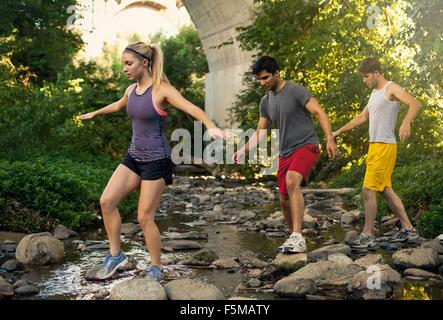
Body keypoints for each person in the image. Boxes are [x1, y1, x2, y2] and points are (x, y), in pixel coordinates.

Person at [80, 42, 226, 281]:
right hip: (134, 156)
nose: (125, 68)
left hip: (157, 160)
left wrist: (211, 127)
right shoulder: (130, 91)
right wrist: (96, 113)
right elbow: (118, 105)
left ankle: (157, 268)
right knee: (106, 201)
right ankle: (116, 256)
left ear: (144, 63)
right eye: (123, 64)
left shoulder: (162, 90)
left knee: (144, 218)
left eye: (129, 63)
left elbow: (192, 108)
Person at [234, 56, 339, 254]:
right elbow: (260, 132)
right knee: (284, 200)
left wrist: (330, 139)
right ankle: (294, 238)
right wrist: (243, 150)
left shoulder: (295, 90)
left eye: (265, 78)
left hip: (306, 145)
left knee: (292, 182)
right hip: (285, 152)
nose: (262, 82)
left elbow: (319, 112)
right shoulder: (265, 102)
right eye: (259, 79)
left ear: (276, 73)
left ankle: (298, 236)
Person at [333, 57, 421, 249]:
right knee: (385, 189)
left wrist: (406, 123)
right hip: (375, 146)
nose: (364, 80)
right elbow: (362, 117)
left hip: (385, 145)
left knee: (368, 189)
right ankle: (408, 229)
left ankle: (367, 234)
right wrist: (339, 131)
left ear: (376, 73)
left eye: (366, 77)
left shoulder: (391, 88)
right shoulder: (374, 94)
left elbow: (415, 103)